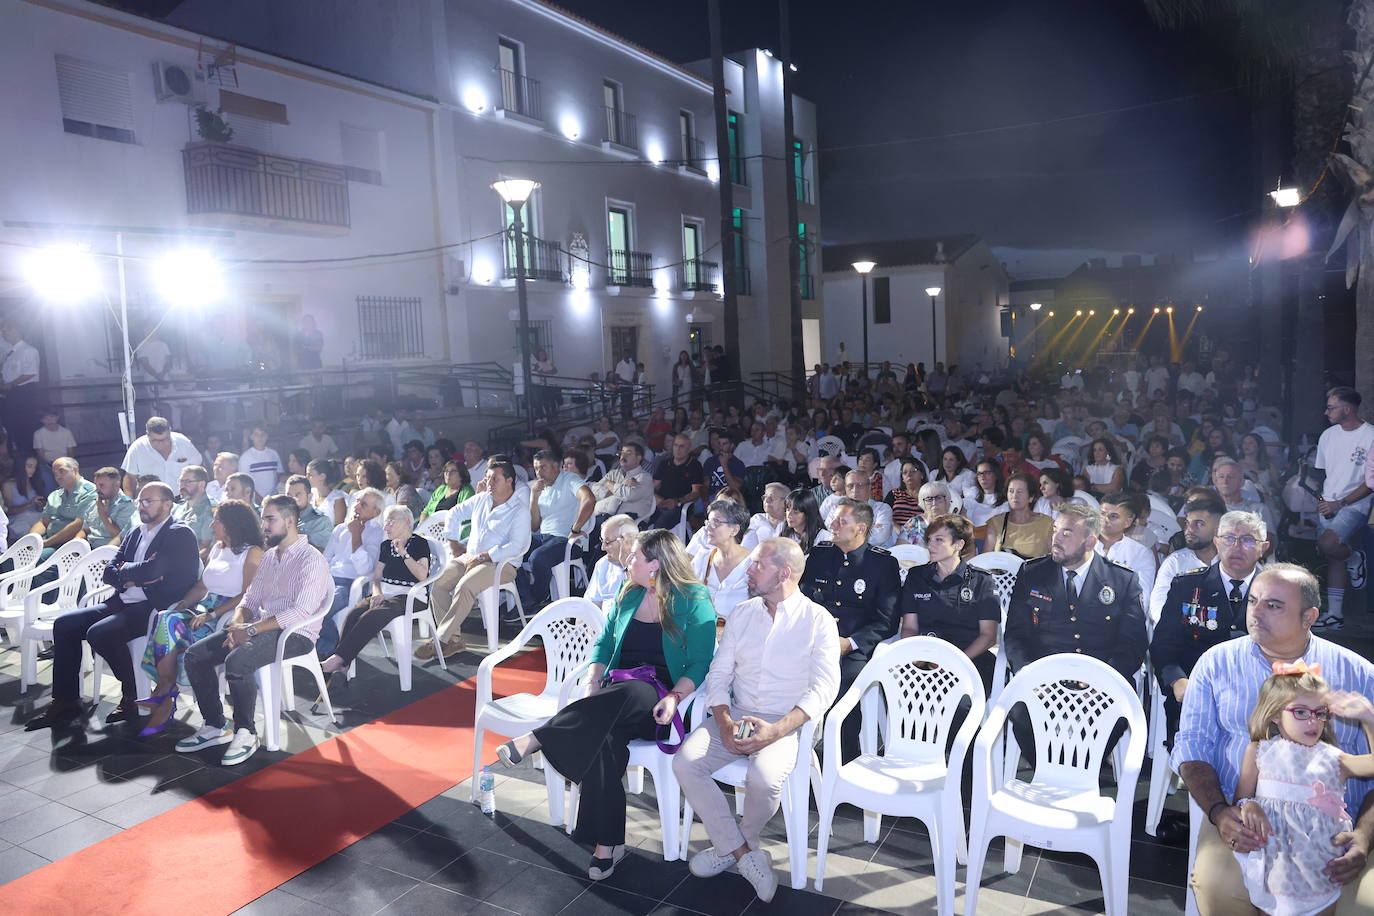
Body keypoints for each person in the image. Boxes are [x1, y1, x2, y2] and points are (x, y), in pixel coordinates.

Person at [493, 529, 716, 879]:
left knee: (632, 693)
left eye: (635, 557)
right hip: (615, 694)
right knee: (605, 744)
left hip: (659, 700)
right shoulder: (629, 594)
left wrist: (675, 697)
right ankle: (607, 845)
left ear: (656, 565)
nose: (627, 562)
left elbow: (701, 662)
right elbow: (601, 647)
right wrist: (593, 682)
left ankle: (538, 737)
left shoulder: (694, 600)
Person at [1172, 563, 1374, 913]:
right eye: (1253, 601)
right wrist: (1221, 813)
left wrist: (1364, 837)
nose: (1256, 613)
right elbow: (1192, 749)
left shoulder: (1358, 673)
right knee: (1217, 885)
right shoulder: (1216, 663)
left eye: (1274, 605)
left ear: (1309, 616)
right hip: (1245, 818)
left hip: (1337, 832)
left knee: (1365, 904)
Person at [675, 538, 840, 903]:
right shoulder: (743, 613)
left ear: (783, 573)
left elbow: (825, 689)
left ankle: (736, 845)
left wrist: (777, 730)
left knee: (764, 779)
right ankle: (744, 854)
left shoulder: (818, 621)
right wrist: (723, 722)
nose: (748, 570)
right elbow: (718, 676)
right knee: (685, 763)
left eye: (757, 565)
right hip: (736, 714)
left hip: (786, 723)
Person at [25, 483, 200, 730]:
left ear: (168, 504)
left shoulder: (178, 533)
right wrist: (133, 574)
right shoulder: (135, 532)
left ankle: (132, 694)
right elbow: (110, 570)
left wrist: (129, 572)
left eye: (148, 501)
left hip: (153, 607)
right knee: (65, 624)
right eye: (140, 501)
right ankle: (66, 699)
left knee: (99, 633)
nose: (142, 506)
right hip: (121, 600)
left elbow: (157, 569)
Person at [177, 494, 332, 765]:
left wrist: (249, 631)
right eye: (263, 519)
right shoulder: (271, 556)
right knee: (195, 656)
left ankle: (246, 732)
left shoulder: (311, 559)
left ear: (290, 520)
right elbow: (250, 599)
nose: (264, 526)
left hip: (296, 634)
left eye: (270, 519)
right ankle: (215, 725)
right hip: (261, 627)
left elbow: (300, 613)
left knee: (238, 661)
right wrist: (238, 623)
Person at [1233, 664, 1372, 915]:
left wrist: (1368, 718)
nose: (1313, 721)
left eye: (1320, 713)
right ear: (1275, 713)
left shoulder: (1334, 759)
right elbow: (1241, 799)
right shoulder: (1259, 751)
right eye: (1300, 712)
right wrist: (1249, 805)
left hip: (1321, 867)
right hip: (1274, 865)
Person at [136, 499, 263, 736]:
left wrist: (213, 614)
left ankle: (164, 693)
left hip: (230, 613)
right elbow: (202, 586)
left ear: (232, 524)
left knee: (171, 624)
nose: (212, 524)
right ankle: (166, 690)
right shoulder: (218, 548)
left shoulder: (251, 552)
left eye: (217, 520)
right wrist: (183, 604)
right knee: (167, 616)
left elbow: (249, 595)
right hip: (205, 610)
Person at [1152, 510, 1269, 748]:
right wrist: (1177, 682)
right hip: (1196, 695)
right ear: (1216, 541)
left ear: (1263, 547)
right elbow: (1163, 644)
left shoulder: (1278, 590)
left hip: (1259, 700)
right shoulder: (1187, 586)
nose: (1237, 547)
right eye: (1228, 538)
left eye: (1247, 540)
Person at [799, 498, 901, 760]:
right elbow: (802, 601)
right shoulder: (820, 555)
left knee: (842, 692)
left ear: (861, 529)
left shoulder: (881, 564)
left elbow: (886, 620)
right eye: (834, 519)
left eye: (841, 521)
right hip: (811, 642)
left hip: (852, 649)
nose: (832, 524)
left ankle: (842, 760)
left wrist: (850, 643)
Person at [1003, 503, 1147, 685]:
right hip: (1042, 679)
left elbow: (1133, 644)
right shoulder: (1032, 573)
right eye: (1055, 530)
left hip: (1101, 683)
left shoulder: (1122, 580)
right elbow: (1016, 634)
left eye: (1066, 533)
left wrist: (1104, 680)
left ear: (1090, 542)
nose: (1056, 539)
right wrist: (1029, 674)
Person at [420, 460, 531, 659]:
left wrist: (485, 555)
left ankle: (439, 640)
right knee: (438, 581)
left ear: (509, 481)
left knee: (465, 586)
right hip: (471, 557)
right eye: (487, 478)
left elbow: (517, 546)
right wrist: (453, 541)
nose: (489, 483)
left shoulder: (519, 510)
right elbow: (454, 512)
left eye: (494, 479)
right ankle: (454, 640)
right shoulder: (482, 499)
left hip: (500, 564)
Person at [321, 505, 431, 681]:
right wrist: (377, 592)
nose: (385, 527)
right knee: (353, 614)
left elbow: (422, 575)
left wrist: (403, 553)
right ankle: (343, 665)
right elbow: (377, 576)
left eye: (390, 522)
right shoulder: (386, 545)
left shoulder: (419, 543)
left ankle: (337, 659)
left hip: (410, 596)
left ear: (407, 522)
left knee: (371, 616)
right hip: (385, 594)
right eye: (385, 522)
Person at [899, 514, 999, 691]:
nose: (931, 545)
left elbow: (988, 636)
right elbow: (909, 627)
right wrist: (918, 655)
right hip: (926, 656)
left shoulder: (981, 580)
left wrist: (955, 662)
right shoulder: (916, 576)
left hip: (969, 657)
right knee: (900, 691)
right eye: (929, 539)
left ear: (958, 545)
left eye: (939, 540)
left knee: (959, 703)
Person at [1313, 387, 1374, 631]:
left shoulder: (1370, 435)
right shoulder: (1328, 435)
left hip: (1354, 505)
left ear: (1347, 409)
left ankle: (1355, 557)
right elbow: (1325, 473)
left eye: (1331, 407)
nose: (1326, 411)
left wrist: (1342, 502)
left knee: (1328, 544)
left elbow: (1370, 482)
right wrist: (1322, 500)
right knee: (1331, 556)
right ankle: (1335, 615)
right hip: (1328, 503)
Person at [518, 449, 595, 610]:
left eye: (543, 467)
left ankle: (534, 599)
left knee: (537, 558)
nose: (539, 472)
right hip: (543, 536)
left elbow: (589, 499)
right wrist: (534, 497)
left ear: (556, 465)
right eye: (536, 468)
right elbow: (534, 526)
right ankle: (527, 599)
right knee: (513, 550)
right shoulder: (539, 487)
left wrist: (575, 528)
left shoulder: (569, 479)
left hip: (567, 540)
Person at [318, 488, 386, 658]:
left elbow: (365, 570)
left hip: (352, 584)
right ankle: (321, 646)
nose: (357, 507)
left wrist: (357, 535)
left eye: (363, 504)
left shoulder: (377, 532)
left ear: (375, 512)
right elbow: (326, 559)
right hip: (329, 579)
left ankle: (329, 650)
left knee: (321, 608)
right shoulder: (340, 528)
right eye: (357, 502)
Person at [1151, 494, 1227, 624]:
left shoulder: (1234, 562)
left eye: (1199, 524)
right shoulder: (1175, 562)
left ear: (1219, 529)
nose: (1189, 529)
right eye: (1187, 523)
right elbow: (1158, 607)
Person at [693, 499, 754, 619]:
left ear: (734, 530)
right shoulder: (703, 558)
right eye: (708, 522)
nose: (708, 528)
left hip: (740, 632)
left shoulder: (753, 563)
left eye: (716, 522)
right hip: (705, 629)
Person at [1095, 491, 1157, 601]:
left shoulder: (1141, 554)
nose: (1105, 520)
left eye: (1113, 516)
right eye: (1102, 513)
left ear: (1128, 521)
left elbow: (1142, 598)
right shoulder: (1081, 545)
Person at [31, 457, 97, 557]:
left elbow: (79, 524)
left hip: (69, 544)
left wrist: (46, 543)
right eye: (55, 473)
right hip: (48, 541)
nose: (58, 476)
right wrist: (31, 541)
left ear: (75, 470)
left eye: (61, 471)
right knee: (12, 559)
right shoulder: (55, 495)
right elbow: (44, 522)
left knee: (39, 558)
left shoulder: (90, 492)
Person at [121, 417, 201, 495]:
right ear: (147, 434)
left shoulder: (183, 442)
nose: (161, 444)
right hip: (151, 501)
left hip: (181, 498)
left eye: (164, 439)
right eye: (155, 440)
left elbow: (199, 469)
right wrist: (130, 502)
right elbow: (129, 478)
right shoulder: (136, 448)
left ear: (170, 432)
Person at [983, 473, 1053, 559]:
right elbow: (985, 559)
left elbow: (1054, 558)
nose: (1014, 496)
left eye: (1020, 492)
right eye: (1011, 491)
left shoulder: (1047, 523)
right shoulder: (996, 522)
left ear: (1031, 497)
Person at [650, 433, 706, 528]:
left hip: (681, 505)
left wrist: (677, 501)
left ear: (689, 448)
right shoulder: (664, 463)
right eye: (675, 445)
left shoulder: (695, 466)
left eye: (682, 446)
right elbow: (652, 486)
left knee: (661, 523)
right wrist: (657, 498)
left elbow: (696, 493)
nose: (678, 449)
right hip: (661, 502)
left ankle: (654, 542)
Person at [590, 443, 654, 523]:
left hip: (630, 522)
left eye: (628, 453)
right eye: (622, 452)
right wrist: (612, 489)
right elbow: (595, 489)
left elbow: (629, 495)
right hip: (603, 517)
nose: (623, 456)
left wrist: (609, 485)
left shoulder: (644, 477)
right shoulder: (614, 473)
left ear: (638, 458)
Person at [0, 319, 41, 442]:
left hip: (23, 392)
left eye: (5, 331)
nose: (3, 334)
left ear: (14, 331)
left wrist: (11, 384)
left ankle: (29, 455)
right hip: (11, 391)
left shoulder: (29, 350)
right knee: (12, 423)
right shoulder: (11, 351)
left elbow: (30, 373)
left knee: (24, 424)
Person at [585, 514, 636, 609]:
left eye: (607, 542)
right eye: (602, 541)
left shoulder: (647, 564)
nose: (602, 548)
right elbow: (590, 606)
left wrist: (626, 565)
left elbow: (634, 604)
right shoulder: (603, 564)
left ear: (627, 540)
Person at [82, 466, 135, 550]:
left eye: (102, 485)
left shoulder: (127, 505)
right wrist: (77, 542)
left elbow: (120, 537)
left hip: (108, 551)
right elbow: (85, 530)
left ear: (117, 484)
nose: (98, 489)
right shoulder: (94, 502)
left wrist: (103, 514)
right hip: (88, 548)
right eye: (96, 485)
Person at [174, 464, 216, 553]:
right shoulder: (178, 506)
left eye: (187, 482)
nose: (182, 486)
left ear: (201, 484)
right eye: (181, 481)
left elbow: (206, 546)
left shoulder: (211, 509)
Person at [285, 474, 333, 551]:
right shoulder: (282, 519)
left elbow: (323, 552)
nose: (292, 499)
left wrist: (296, 536)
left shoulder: (321, 521)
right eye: (289, 495)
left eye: (298, 495)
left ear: (310, 497)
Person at [4, 454, 45, 540]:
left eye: (35, 467)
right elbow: (8, 511)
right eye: (29, 466)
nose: (33, 470)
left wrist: (40, 505)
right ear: (21, 466)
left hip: (35, 517)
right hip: (18, 522)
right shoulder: (8, 485)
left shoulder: (35, 482)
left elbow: (38, 509)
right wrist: (29, 504)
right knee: (32, 538)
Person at [32, 410, 76, 487]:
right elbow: (40, 454)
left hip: (64, 464)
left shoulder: (66, 432)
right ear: (42, 420)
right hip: (47, 465)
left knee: (69, 486)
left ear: (57, 417)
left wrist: (66, 465)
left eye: (52, 417)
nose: (49, 420)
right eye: (46, 418)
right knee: (49, 486)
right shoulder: (38, 434)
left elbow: (71, 452)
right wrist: (51, 466)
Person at [884, 458, 927, 534]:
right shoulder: (894, 493)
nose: (909, 475)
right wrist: (898, 528)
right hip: (894, 534)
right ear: (902, 479)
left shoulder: (928, 496)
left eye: (913, 471)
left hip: (919, 535)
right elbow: (884, 513)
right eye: (905, 472)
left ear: (922, 475)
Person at [743, 482, 790, 551]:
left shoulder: (791, 522)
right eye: (765, 497)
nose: (767, 501)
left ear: (785, 502)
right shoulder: (757, 519)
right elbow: (746, 547)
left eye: (772, 497)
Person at [703, 433, 746, 500]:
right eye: (719, 443)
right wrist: (705, 499)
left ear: (731, 446)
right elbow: (705, 485)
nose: (721, 447)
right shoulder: (709, 461)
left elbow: (736, 488)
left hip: (728, 498)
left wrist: (724, 465)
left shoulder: (738, 464)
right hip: (710, 497)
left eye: (724, 444)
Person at [783, 487, 826, 554]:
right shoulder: (785, 535)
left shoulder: (823, 537)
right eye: (788, 509)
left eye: (796, 512)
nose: (789, 515)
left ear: (808, 513)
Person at [306, 459, 348, 527]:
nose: (307, 478)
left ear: (322, 476)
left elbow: (339, 528)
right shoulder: (311, 494)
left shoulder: (337, 498)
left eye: (310, 475)